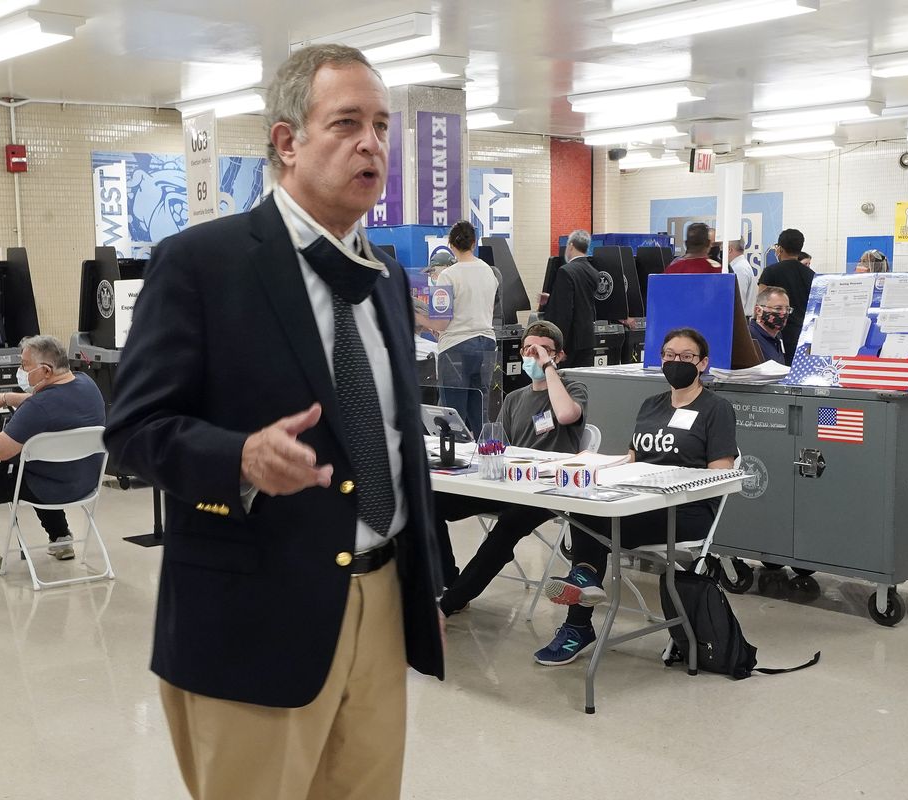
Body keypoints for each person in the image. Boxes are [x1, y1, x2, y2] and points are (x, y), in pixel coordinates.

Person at [103, 44, 445, 800]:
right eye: (348, 123)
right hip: (253, 614)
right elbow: (132, 430)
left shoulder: (384, 274)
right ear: (287, 142)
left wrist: (427, 590)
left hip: (381, 598)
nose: (372, 145)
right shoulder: (203, 263)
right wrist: (238, 459)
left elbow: (393, 445)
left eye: (383, 127)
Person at [534, 327, 737, 666]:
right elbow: (634, 455)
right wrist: (602, 465)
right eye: (669, 355)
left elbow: (720, 472)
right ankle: (583, 589)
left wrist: (673, 481)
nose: (676, 362)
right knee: (585, 506)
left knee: (597, 520)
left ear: (702, 364)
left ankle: (579, 611)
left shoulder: (716, 409)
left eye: (686, 357)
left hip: (684, 509)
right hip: (638, 499)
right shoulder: (651, 405)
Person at [432, 321, 588, 614]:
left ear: (559, 355)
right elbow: (499, 445)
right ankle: (448, 581)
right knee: (430, 504)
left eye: (543, 350)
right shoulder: (516, 398)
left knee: (508, 527)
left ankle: (450, 603)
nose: (534, 355)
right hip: (509, 483)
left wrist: (550, 368)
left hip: (546, 489)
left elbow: (567, 415)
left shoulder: (572, 389)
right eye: (529, 349)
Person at [0, 335, 105, 576]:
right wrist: (5, 398)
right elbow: (49, 400)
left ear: (46, 370)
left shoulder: (37, 410)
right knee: (42, 465)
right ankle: (60, 537)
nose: (20, 370)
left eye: (25, 365)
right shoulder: (86, 385)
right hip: (85, 484)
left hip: (48, 488)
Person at [434, 219, 500, 433]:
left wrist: (418, 318)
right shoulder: (490, 272)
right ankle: (485, 460)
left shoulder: (447, 275)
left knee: (453, 418)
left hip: (456, 347)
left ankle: (454, 463)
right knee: (479, 414)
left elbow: (441, 322)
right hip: (487, 346)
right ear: (474, 243)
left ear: (451, 245)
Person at [542, 229, 602, 367]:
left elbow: (564, 313)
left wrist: (558, 346)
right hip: (587, 340)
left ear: (571, 245)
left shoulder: (566, 271)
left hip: (570, 343)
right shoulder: (593, 272)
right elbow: (583, 301)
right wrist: (552, 299)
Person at [758, 228, 814, 354]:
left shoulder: (770, 272)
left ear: (780, 249)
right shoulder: (811, 275)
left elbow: (760, 302)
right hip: (804, 333)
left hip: (776, 333)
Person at [750, 286, 792, 365]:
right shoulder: (748, 337)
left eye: (787, 309)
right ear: (759, 310)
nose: (784, 312)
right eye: (778, 308)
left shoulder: (778, 335)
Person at [727, 238, 758, 318]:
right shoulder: (741, 266)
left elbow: (738, 301)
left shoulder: (738, 268)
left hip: (739, 319)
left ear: (729, 249)